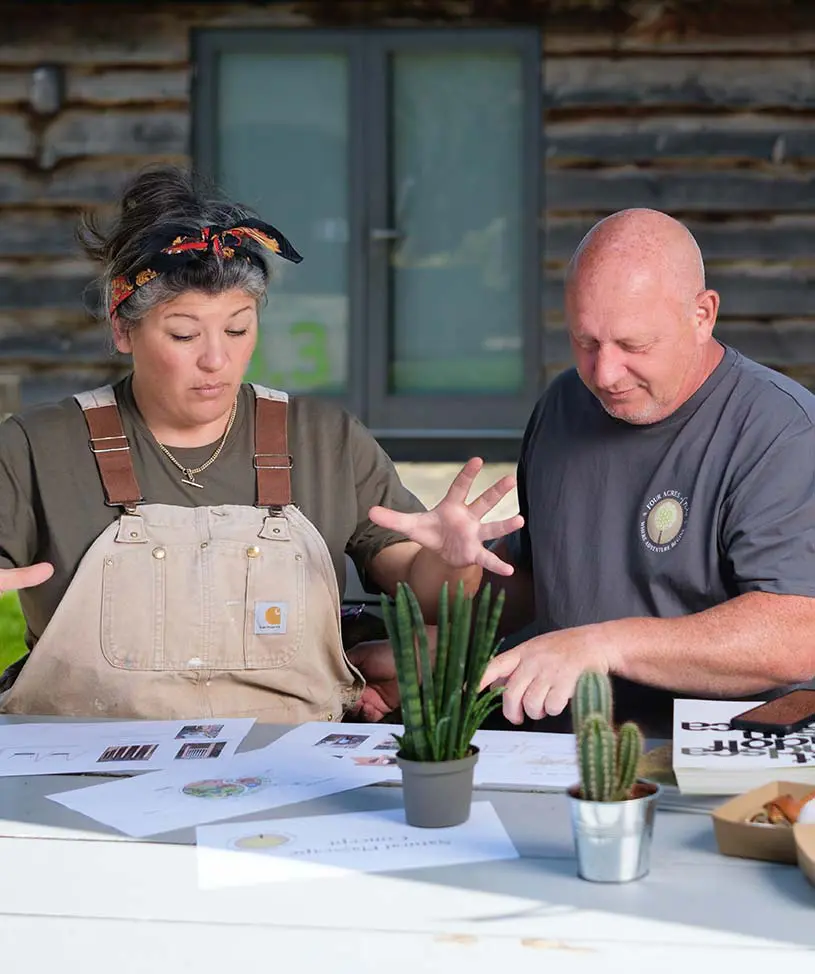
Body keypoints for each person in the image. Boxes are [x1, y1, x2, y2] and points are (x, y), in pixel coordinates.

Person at [0, 165, 522, 722]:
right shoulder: (37, 446)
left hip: (288, 771)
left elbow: (429, 596)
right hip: (80, 770)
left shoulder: (324, 440)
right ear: (123, 329)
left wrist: (450, 559)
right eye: (183, 334)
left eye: (237, 329)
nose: (215, 360)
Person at [471, 207, 815, 737]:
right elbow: (538, 583)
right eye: (586, 343)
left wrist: (606, 644)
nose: (605, 374)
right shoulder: (562, 406)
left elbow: (797, 633)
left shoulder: (781, 431)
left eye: (634, 346)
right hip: (555, 749)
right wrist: (450, 577)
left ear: (703, 315)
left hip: (724, 755)